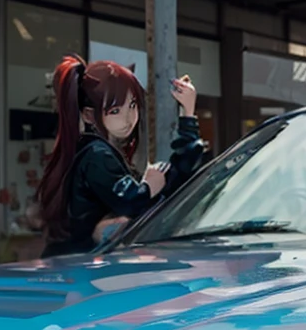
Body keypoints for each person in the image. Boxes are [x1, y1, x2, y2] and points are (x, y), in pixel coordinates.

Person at [35, 57, 205, 256]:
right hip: (81, 266)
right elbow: (130, 201)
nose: (128, 118)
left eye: (132, 105)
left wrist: (188, 112)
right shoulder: (96, 154)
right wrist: (149, 185)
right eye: (115, 110)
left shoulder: (87, 150)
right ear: (89, 115)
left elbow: (175, 176)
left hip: (74, 263)